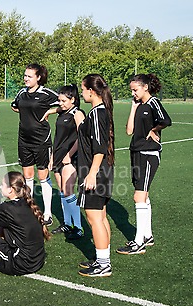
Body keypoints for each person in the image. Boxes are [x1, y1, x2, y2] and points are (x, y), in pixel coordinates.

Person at [116, 73, 172, 255]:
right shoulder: (139, 105)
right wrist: (133, 108)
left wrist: (154, 130)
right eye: (131, 90)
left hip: (149, 153)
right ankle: (147, 236)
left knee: (138, 197)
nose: (133, 93)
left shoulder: (153, 103)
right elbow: (129, 130)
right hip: (136, 152)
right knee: (143, 195)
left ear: (145, 87)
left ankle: (138, 241)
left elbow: (166, 120)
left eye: (135, 90)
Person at [11, 63, 60, 227]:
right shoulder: (22, 93)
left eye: (29, 76)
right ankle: (30, 210)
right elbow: (14, 106)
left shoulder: (46, 93)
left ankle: (47, 213)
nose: (26, 78)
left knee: (43, 176)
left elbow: (63, 103)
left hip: (41, 140)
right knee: (28, 175)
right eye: (25, 75)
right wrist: (27, 113)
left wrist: (48, 111)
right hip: (24, 140)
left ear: (38, 78)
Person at [76, 74, 115, 277]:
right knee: (100, 215)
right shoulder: (98, 112)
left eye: (83, 89)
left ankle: (103, 264)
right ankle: (103, 258)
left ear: (91, 91)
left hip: (96, 172)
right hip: (101, 171)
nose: (82, 93)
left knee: (94, 218)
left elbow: (99, 149)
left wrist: (91, 174)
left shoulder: (98, 113)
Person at [42, 84, 86, 240]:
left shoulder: (77, 113)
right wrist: (53, 156)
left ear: (73, 99)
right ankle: (67, 223)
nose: (59, 103)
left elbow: (82, 137)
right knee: (62, 191)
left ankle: (79, 228)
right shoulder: (63, 111)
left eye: (63, 100)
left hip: (71, 157)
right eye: (58, 100)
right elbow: (59, 136)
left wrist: (69, 154)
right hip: (59, 156)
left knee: (68, 191)